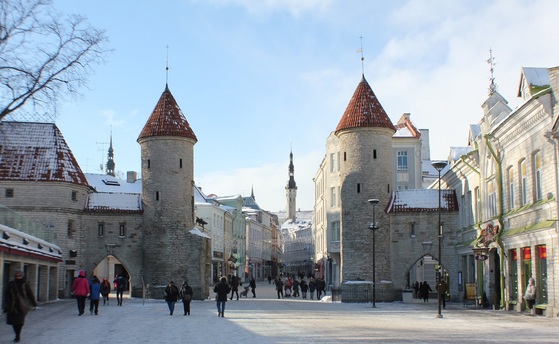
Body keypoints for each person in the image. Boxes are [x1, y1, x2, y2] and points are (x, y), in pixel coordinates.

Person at [3, 270, 37, 343]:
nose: (18, 277)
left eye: (19, 275)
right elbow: (6, 294)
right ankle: (17, 334)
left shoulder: (25, 284)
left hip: (22, 305)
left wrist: (34, 303)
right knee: (13, 322)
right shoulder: (11, 284)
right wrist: (6, 304)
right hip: (12, 305)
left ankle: (18, 335)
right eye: (17, 276)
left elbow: (30, 294)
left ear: (22, 276)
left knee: (20, 322)